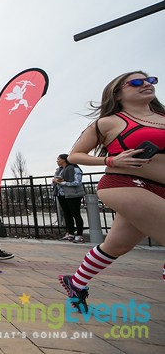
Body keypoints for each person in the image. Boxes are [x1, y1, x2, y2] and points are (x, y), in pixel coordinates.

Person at [59, 71, 165, 313]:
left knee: (116, 246)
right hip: (126, 184)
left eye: (151, 80)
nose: (146, 84)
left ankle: (75, 283)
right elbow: (75, 155)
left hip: (160, 189)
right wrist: (112, 160)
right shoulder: (109, 122)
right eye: (137, 82)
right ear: (118, 93)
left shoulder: (162, 116)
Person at [53, 154, 86, 243]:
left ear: (64, 160)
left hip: (73, 194)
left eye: (58, 159)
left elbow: (77, 182)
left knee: (76, 214)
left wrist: (63, 183)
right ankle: (70, 233)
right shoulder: (59, 170)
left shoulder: (75, 169)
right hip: (61, 194)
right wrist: (55, 181)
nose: (57, 161)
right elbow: (55, 180)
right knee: (67, 214)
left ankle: (79, 235)